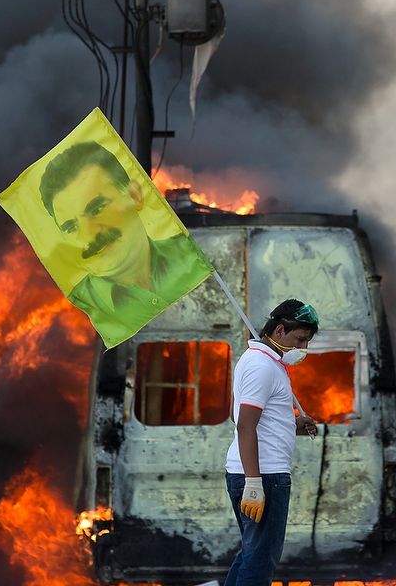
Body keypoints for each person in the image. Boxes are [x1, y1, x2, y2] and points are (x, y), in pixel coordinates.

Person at [39, 141, 206, 339]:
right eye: (71, 227)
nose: (89, 234)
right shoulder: (73, 316)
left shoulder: (192, 257)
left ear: (134, 195)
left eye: (96, 209)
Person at [224, 299, 319, 585]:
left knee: (252, 554)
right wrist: (254, 483)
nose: (304, 348)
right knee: (260, 561)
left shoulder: (262, 362)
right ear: (279, 331)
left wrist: (291, 423)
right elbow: (244, 425)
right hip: (264, 475)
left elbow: (240, 415)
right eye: (300, 339)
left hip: (259, 472)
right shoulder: (262, 366)